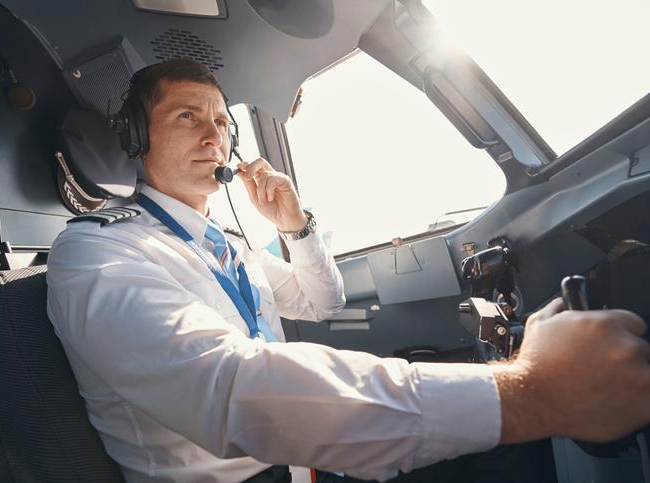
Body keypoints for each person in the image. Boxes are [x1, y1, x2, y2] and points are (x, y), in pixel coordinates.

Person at [46, 59, 650, 483]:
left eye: (223, 122)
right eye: (187, 118)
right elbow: (234, 389)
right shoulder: (100, 255)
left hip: (299, 464)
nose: (215, 136)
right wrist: (531, 395)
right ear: (134, 136)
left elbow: (322, 301)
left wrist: (294, 227)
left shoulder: (224, 245)